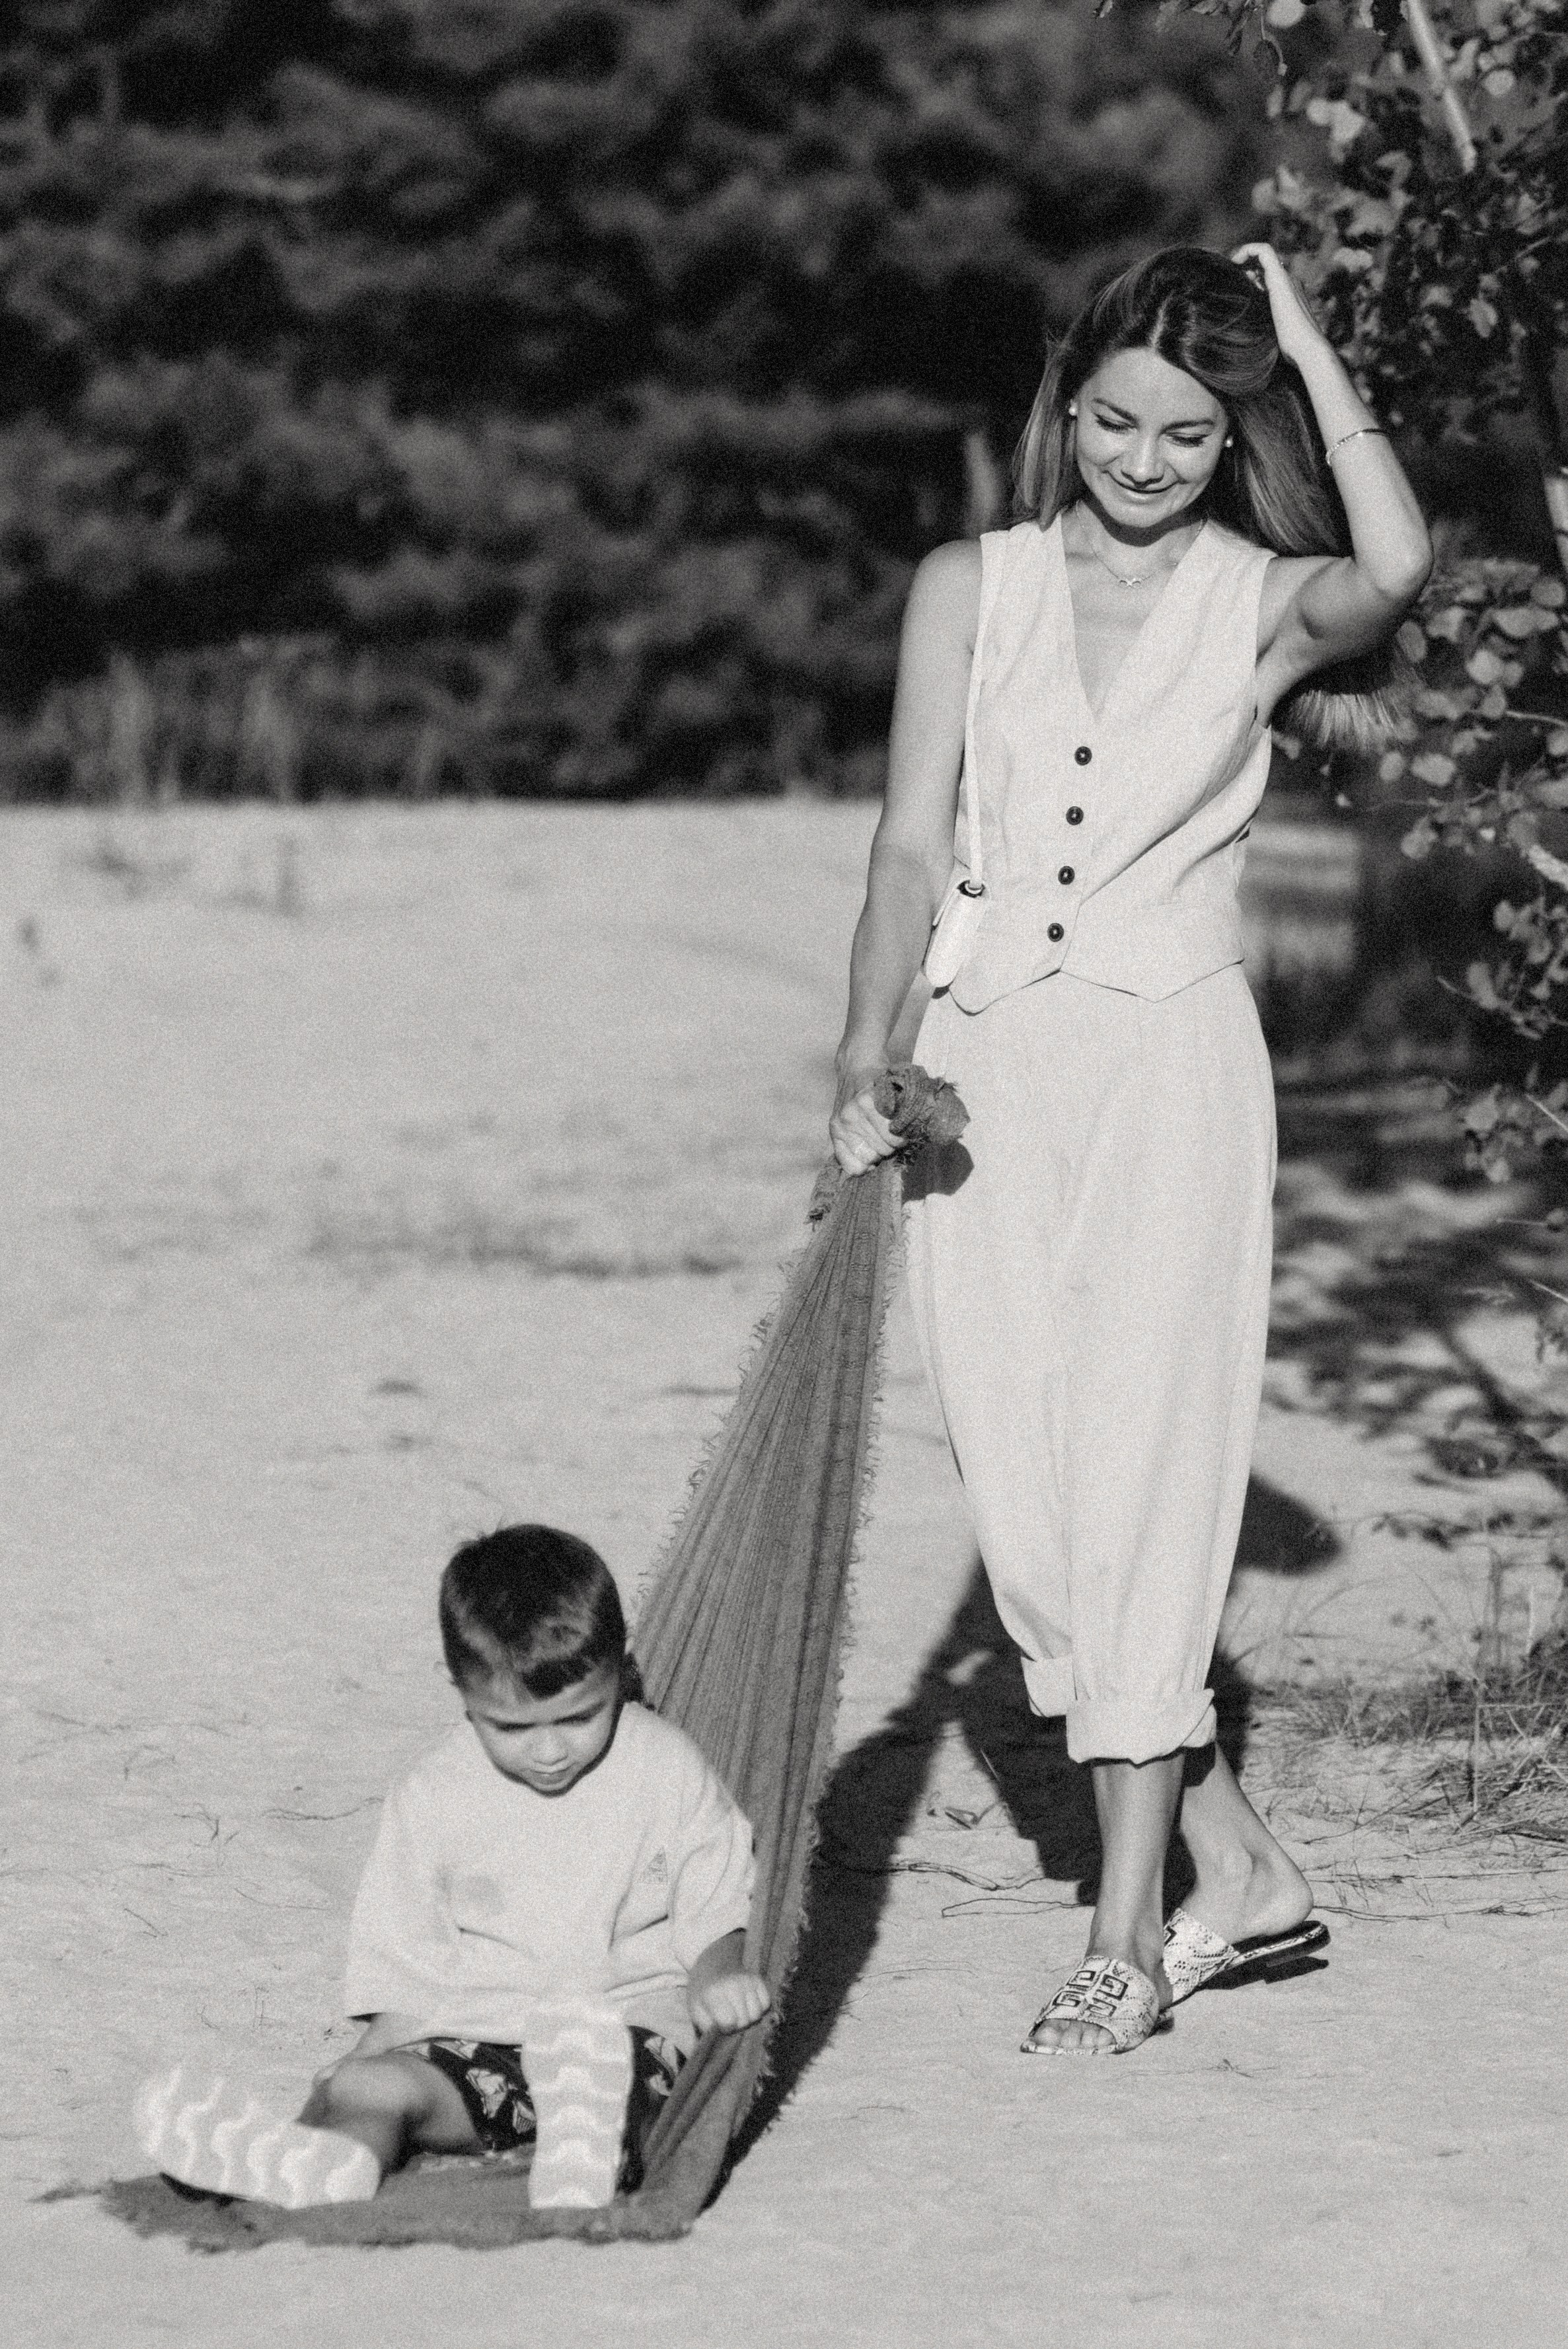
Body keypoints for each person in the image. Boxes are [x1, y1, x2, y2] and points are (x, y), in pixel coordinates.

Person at [829, 243, 1431, 2055]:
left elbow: (1397, 565)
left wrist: (1309, 343)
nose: (1146, 457)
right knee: (1026, 1504)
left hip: (1170, 1067)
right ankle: (1238, 1870)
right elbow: (905, 846)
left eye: (1186, 427)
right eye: (1112, 418)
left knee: (1149, 1485)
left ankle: (1124, 1938)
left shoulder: (1264, 598)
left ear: (1229, 427)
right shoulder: (973, 584)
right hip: (980, 1071)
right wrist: (864, 1046)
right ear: (1063, 403)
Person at [134, 1525, 770, 2207]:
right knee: (370, 2088)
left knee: (630, 2088)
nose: (550, 1751)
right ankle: (328, 2163)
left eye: (580, 1717)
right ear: (461, 1691)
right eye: (513, 1729)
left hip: (625, 2029)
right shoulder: (434, 1792)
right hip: (485, 2038)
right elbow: (408, 1950)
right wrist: (365, 2058)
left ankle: (587, 2142)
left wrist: (716, 1974)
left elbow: (715, 1885)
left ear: (620, 1666)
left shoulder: (665, 1766)